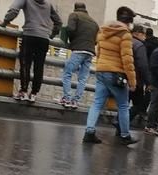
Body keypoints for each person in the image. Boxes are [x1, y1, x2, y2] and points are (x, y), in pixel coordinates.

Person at [82, 6, 137, 145]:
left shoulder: (103, 30)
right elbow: (127, 60)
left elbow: (99, 51)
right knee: (123, 105)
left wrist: (100, 67)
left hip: (101, 70)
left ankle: (89, 132)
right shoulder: (125, 35)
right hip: (116, 73)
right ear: (129, 22)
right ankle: (125, 135)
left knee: (97, 103)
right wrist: (132, 81)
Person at [0, 0, 62, 102]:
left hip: (29, 35)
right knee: (39, 67)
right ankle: (34, 93)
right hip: (44, 38)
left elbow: (13, 10)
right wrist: (51, 35)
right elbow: (58, 22)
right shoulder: (48, 4)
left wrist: (5, 23)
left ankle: (24, 91)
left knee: (25, 64)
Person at [60, 2, 98, 109]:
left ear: (75, 8)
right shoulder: (94, 22)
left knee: (67, 73)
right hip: (90, 52)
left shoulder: (74, 15)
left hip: (78, 50)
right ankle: (75, 101)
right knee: (82, 78)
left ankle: (67, 98)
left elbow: (71, 29)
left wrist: (71, 41)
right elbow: (96, 40)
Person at [129, 25, 151, 127]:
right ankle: (121, 123)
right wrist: (148, 82)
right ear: (138, 33)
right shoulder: (140, 45)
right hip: (136, 79)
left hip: (124, 78)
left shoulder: (126, 41)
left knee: (123, 104)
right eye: (144, 34)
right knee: (138, 105)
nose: (145, 37)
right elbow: (143, 65)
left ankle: (120, 128)